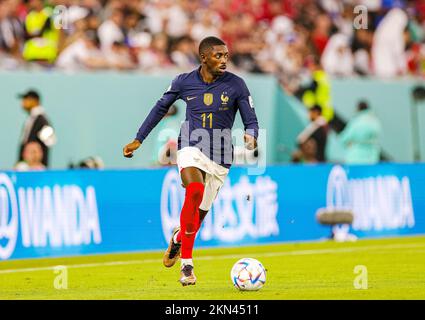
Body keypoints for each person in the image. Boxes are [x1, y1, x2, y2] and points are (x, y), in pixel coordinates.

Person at [123, 36, 259, 286]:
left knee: (197, 219)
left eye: (226, 56)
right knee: (194, 189)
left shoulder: (237, 85)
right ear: (204, 57)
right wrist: (138, 139)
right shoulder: (183, 82)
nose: (224, 60)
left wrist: (252, 134)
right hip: (190, 145)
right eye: (218, 55)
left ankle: (177, 240)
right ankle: (187, 265)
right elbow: (159, 108)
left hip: (220, 156)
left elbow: (250, 119)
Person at [18, 89, 56, 167]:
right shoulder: (31, 119)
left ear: (35, 101)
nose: (23, 102)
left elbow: (50, 141)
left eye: (26, 99)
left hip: (36, 169)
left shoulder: (42, 121)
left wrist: (37, 160)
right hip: (26, 167)